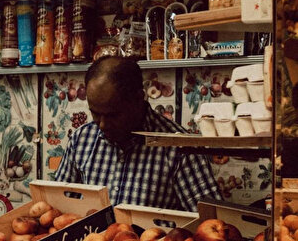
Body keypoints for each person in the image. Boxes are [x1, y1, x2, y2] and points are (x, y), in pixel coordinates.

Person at [54, 55, 222, 211]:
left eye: (113, 115)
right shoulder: (81, 140)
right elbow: (58, 208)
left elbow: (211, 221)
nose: (103, 125)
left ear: (139, 98)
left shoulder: (180, 148)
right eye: (96, 113)